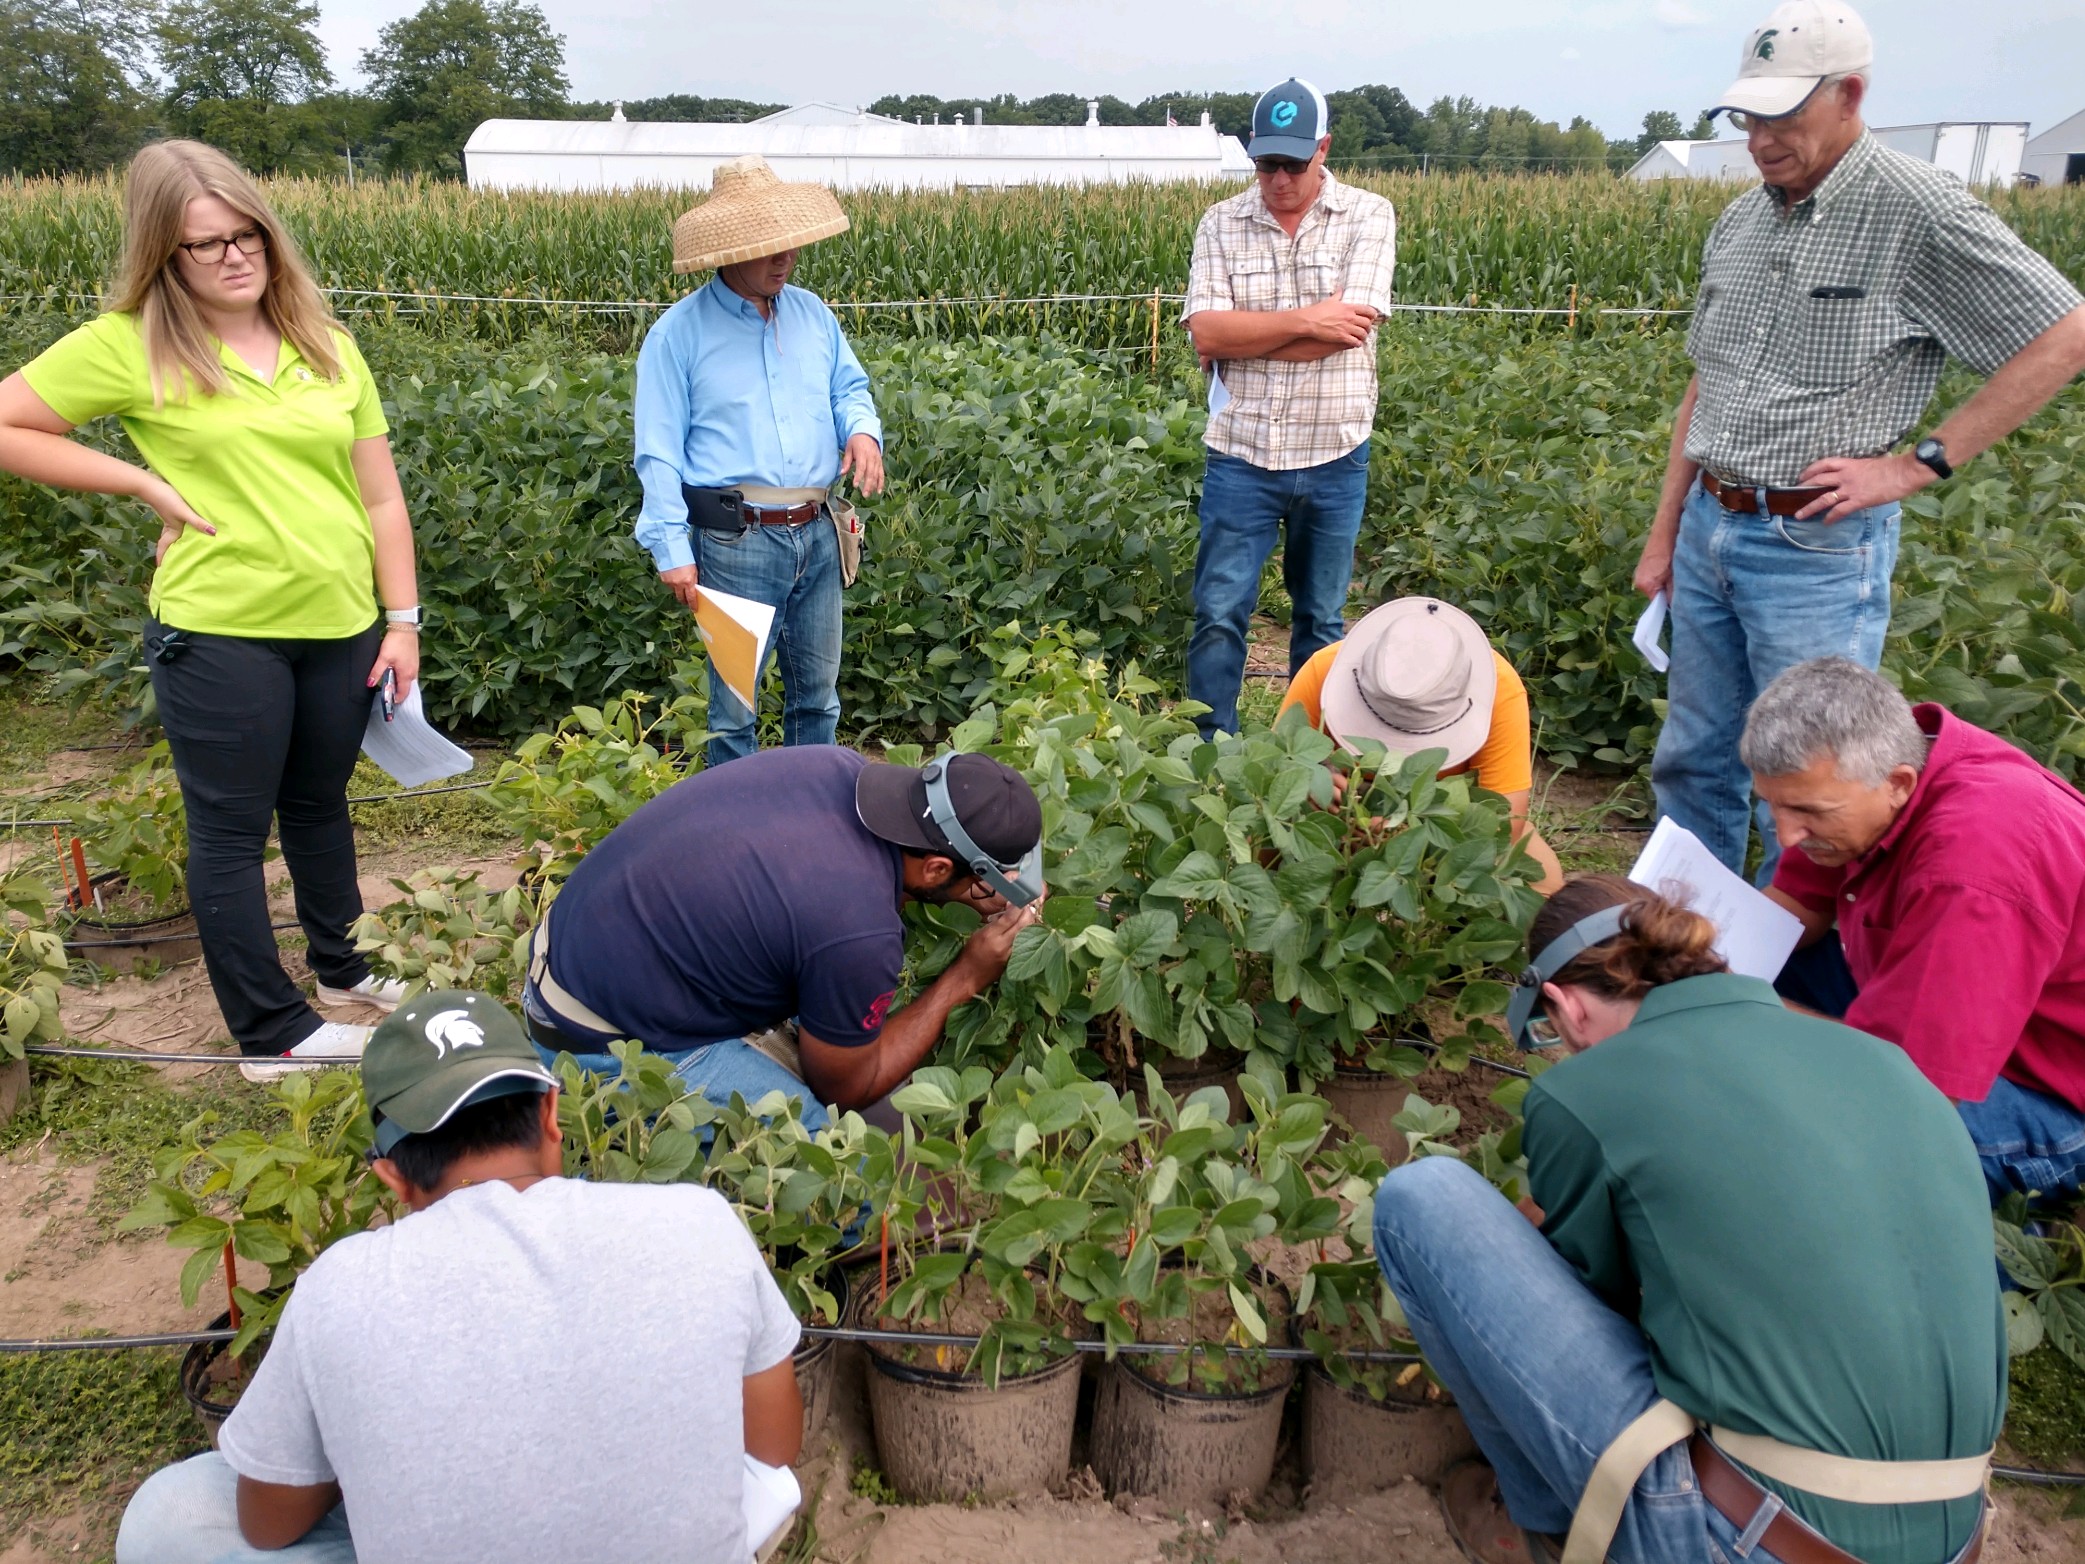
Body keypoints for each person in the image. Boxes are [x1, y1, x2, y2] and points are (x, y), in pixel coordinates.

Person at [1373, 876, 2000, 1564]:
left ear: (1563, 1006)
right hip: (1957, 1533)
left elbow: (1591, 1298)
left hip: (1742, 1538)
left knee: (1423, 1200)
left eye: (1549, 1034)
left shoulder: (1586, 1090)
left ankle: (1541, 1530)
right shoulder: (1886, 1063)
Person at [1632, 0, 2085, 881]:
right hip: (1708, 527)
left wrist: (1915, 465)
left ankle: (1786, 977)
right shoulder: (1741, 220)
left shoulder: (1913, 211)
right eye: (1750, 117)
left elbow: (2062, 334)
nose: (1762, 139)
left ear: (1848, 94)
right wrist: (1664, 532)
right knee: (1691, 758)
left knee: (1807, 780)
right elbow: (1706, 384)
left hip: (1813, 545)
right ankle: (1682, 945)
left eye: (1785, 115)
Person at [0, 141, 424, 1081]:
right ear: (164, 254)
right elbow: (8, 423)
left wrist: (403, 621)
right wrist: (142, 483)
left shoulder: (326, 343)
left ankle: (344, 969)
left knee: (319, 808)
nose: (235, 257)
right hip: (221, 629)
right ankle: (273, 1035)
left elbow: (382, 499)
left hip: (340, 621)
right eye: (206, 244)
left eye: (249, 235)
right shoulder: (128, 345)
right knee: (230, 830)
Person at [113, 990, 804, 1564]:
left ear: (391, 1176)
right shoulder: (699, 1221)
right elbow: (773, 1452)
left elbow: (267, 1526)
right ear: (551, 1115)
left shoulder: (341, 1288)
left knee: (171, 1516)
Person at [522, 746, 1043, 1127]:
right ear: (934, 869)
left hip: (565, 953)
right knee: (832, 1161)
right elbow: (846, 1088)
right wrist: (966, 976)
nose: (990, 890)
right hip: (590, 1040)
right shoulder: (857, 932)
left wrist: (973, 887)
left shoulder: (836, 766)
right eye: (985, 878)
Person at [1746, 657, 2085, 1204]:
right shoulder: (1865, 774)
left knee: (1830, 1142)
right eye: (1772, 806)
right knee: (1759, 967)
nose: (1786, 835)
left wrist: (1727, 1004)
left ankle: (2012, 1245)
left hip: (2053, 1094)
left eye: (1807, 813)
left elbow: (1910, 1092)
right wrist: (1687, 947)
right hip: (1981, 1023)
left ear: (1899, 783)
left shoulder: (1974, 866)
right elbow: (1792, 909)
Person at [635, 155, 884, 769]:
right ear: (727, 250)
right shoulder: (678, 335)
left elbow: (848, 388)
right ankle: (735, 838)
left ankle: (809, 829)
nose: (785, 257)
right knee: (734, 714)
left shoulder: (812, 314)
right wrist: (672, 548)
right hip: (734, 542)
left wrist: (863, 432)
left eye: (790, 244)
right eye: (767, 246)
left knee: (818, 701)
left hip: (820, 532)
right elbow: (658, 450)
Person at [1181, 77, 1397, 740]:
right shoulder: (1221, 221)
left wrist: (1245, 335)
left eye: (1291, 164)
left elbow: (1349, 334)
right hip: (1241, 453)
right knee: (1218, 611)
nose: (1276, 179)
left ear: (1323, 149)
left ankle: (1309, 756)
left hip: (1334, 452)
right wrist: (1309, 320)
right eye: (1264, 163)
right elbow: (1206, 334)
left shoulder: (1367, 214)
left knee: (1321, 620)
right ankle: (1210, 752)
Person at [1279, 597, 1563, 891]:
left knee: (1543, 884)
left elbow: (1506, 822)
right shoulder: (1325, 669)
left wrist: (1407, 836)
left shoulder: (1500, 690)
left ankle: (1448, 920)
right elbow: (1277, 764)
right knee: (1264, 839)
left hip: (1443, 820)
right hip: (1336, 817)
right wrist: (1313, 779)